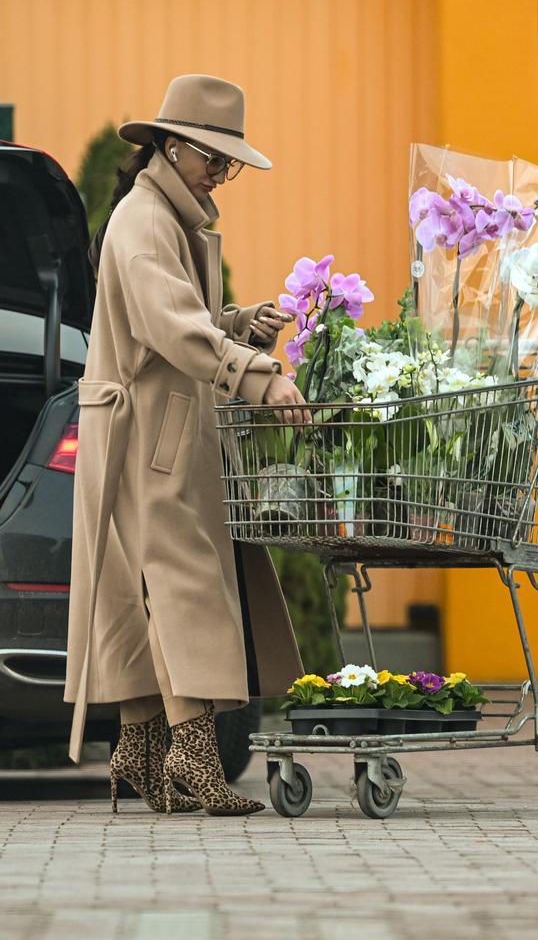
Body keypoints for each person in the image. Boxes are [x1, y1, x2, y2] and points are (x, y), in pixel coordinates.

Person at [64, 74, 310, 816]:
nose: (222, 172)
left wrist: (239, 322)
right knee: (183, 588)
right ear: (172, 147)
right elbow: (170, 326)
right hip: (150, 433)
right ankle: (193, 761)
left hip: (147, 426)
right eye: (215, 156)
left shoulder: (162, 218)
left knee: (140, 594)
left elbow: (181, 315)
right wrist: (256, 374)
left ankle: (138, 756)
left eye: (227, 161)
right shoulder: (146, 224)